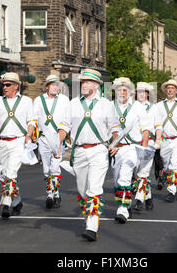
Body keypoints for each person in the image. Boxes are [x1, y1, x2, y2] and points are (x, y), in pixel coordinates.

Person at [57, 68, 120, 242]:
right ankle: (90, 218)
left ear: (96, 85)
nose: (83, 85)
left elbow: (115, 128)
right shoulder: (74, 103)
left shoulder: (106, 104)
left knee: (94, 188)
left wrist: (115, 144)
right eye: (82, 82)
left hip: (99, 150)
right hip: (78, 151)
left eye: (86, 82)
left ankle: (92, 227)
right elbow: (64, 126)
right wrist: (58, 143)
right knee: (83, 190)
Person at [0, 72, 34, 219]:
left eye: (8, 84)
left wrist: (28, 135)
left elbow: (32, 121)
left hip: (18, 141)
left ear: (16, 86)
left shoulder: (26, 101)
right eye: (3, 84)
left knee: (11, 173)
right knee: (4, 174)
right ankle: (17, 200)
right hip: (2, 141)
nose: (5, 87)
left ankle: (6, 203)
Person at [110, 77, 152, 224]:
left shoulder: (137, 107)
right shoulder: (109, 106)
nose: (122, 92)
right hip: (115, 149)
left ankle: (122, 210)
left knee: (125, 177)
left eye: (125, 89)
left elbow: (146, 128)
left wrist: (144, 148)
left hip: (132, 148)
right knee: (116, 182)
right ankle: (126, 205)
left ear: (129, 92)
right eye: (119, 89)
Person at [32, 75, 70, 209]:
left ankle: (52, 194)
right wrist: (33, 135)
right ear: (47, 86)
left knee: (55, 167)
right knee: (46, 168)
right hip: (43, 139)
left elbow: (67, 119)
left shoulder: (64, 100)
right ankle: (54, 193)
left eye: (57, 85)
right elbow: (34, 118)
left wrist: (61, 138)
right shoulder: (38, 100)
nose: (55, 87)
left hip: (58, 137)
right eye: (52, 85)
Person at [132, 82, 162, 212]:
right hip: (134, 143)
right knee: (137, 170)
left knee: (143, 172)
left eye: (143, 92)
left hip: (149, 142)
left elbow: (158, 126)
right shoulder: (131, 107)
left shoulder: (154, 108)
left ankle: (139, 200)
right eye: (139, 92)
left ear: (148, 94)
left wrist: (158, 140)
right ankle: (148, 198)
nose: (141, 94)